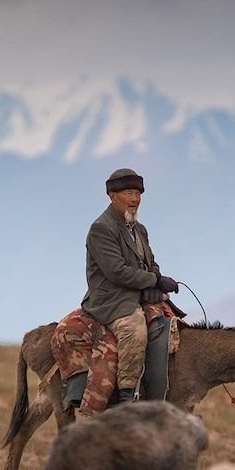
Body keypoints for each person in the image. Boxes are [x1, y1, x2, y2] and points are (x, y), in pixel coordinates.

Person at [79, 167, 179, 406]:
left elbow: (150, 263)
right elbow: (117, 271)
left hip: (135, 293)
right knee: (135, 329)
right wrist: (154, 281)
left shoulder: (138, 229)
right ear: (112, 195)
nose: (135, 199)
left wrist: (156, 280)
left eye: (138, 193)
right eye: (129, 193)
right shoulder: (101, 228)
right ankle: (127, 396)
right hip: (111, 300)